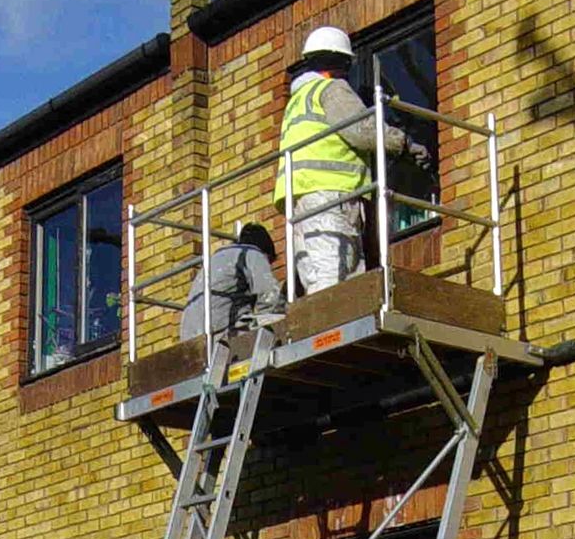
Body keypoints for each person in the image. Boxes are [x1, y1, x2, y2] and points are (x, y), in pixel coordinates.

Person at [272, 25, 430, 296]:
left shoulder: (298, 100)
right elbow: (362, 131)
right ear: (341, 61)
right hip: (330, 195)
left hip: (301, 200)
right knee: (336, 277)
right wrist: (405, 144)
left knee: (318, 275)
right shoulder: (332, 89)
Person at [179, 223, 284, 342]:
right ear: (265, 252)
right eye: (268, 263)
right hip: (220, 332)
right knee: (277, 320)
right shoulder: (252, 253)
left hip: (191, 337)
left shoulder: (215, 260)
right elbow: (270, 297)